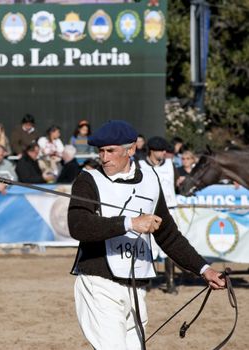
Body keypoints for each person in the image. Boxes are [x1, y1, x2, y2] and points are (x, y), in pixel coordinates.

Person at [68, 120, 226, 350]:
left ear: (130, 150)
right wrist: (129, 223)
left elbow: (169, 235)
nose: (104, 158)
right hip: (98, 283)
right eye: (101, 151)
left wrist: (204, 269)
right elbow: (78, 226)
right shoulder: (88, 180)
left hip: (136, 286)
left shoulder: (150, 180)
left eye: (111, 151)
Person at [139, 136, 180, 293]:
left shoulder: (170, 165)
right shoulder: (141, 165)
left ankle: (170, 282)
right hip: (150, 210)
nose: (164, 152)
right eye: (161, 150)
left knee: (170, 244)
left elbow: (179, 183)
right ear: (152, 151)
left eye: (165, 150)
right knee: (149, 244)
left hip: (170, 210)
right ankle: (148, 280)